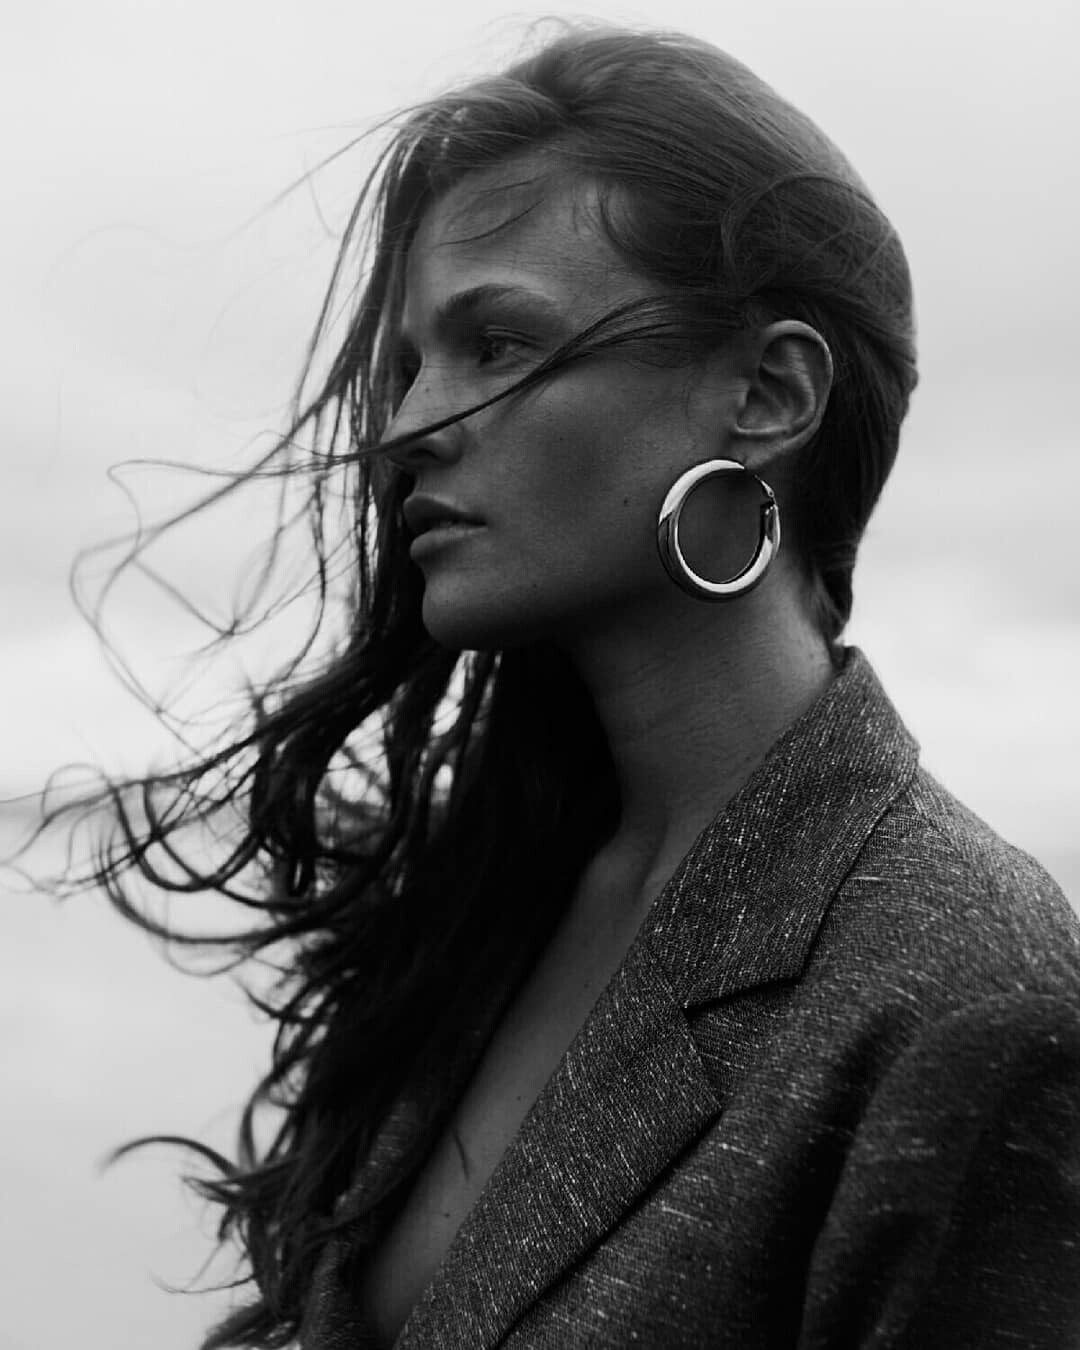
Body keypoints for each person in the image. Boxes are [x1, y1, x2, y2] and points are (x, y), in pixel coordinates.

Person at [57, 24, 1080, 1350]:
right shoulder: (491, 893)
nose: (406, 425)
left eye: (497, 342)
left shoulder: (963, 994)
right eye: (413, 362)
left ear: (770, 393)